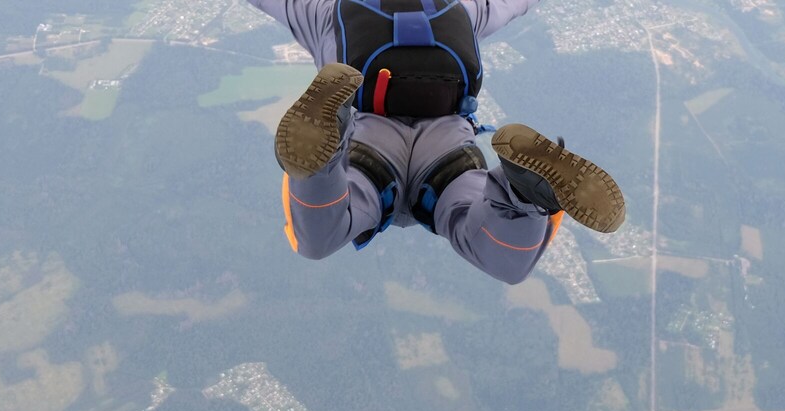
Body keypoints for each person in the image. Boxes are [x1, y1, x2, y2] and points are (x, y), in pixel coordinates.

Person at [247, 0, 627, 284]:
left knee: (318, 239)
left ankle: (326, 153)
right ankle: (520, 194)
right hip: (445, 144)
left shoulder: (323, 9)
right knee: (502, 259)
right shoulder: (465, 7)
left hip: (375, 143)